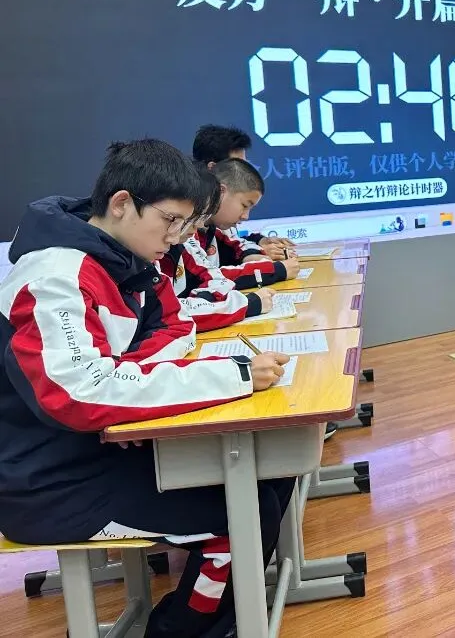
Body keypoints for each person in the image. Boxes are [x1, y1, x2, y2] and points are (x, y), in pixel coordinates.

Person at [0, 139, 291, 638]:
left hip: (105, 445)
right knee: (242, 514)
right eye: (170, 221)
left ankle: (210, 618)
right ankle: (180, 629)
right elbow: (79, 393)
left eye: (185, 224)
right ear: (121, 203)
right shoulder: (55, 276)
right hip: (51, 482)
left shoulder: (130, 260)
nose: (177, 238)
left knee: (269, 469)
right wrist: (233, 374)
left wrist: (125, 383)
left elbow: (177, 326)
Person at [158, 169, 274, 331]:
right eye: (180, 218)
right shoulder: (144, 256)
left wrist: (204, 301)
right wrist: (246, 304)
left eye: (202, 216)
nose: (199, 224)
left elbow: (215, 277)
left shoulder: (186, 239)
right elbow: (167, 316)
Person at [188, 158, 299, 290]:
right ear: (220, 191)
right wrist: (276, 270)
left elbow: (237, 243)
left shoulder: (214, 226)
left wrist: (250, 255)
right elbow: (208, 278)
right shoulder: (187, 229)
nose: (245, 216)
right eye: (245, 205)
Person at [191, 124, 293, 260]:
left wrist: (258, 242)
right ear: (213, 169)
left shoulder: (217, 216)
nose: (245, 171)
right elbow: (205, 269)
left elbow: (230, 241)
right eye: (237, 165)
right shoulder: (190, 214)